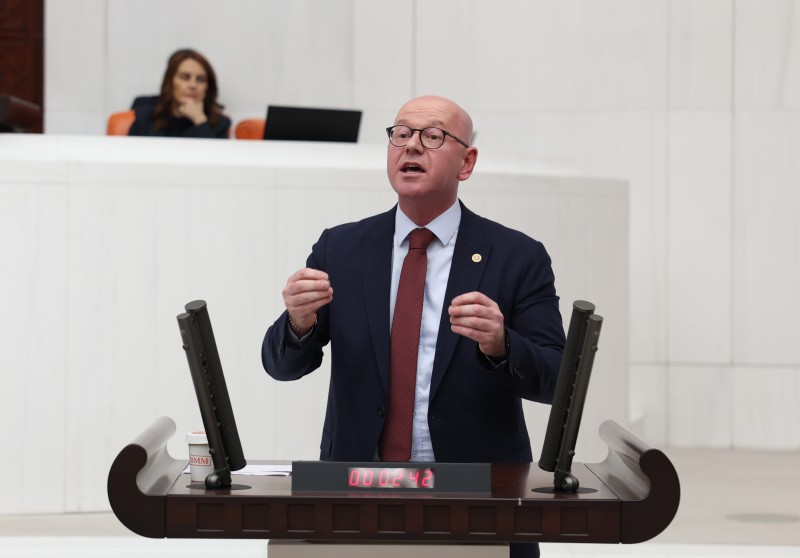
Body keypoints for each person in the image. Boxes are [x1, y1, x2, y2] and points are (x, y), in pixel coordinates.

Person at [261, 95, 565, 558]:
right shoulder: (340, 248)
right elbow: (281, 368)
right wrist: (299, 322)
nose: (412, 146)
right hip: (357, 490)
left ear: (467, 162)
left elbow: (557, 380)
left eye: (433, 136)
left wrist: (502, 345)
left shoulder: (517, 256)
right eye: (401, 134)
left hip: (479, 496)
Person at [128, 48, 230, 139]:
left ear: (208, 87)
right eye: (185, 77)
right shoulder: (144, 116)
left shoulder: (221, 124)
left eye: (200, 79)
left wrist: (199, 119)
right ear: (170, 81)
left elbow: (213, 154)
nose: (193, 85)